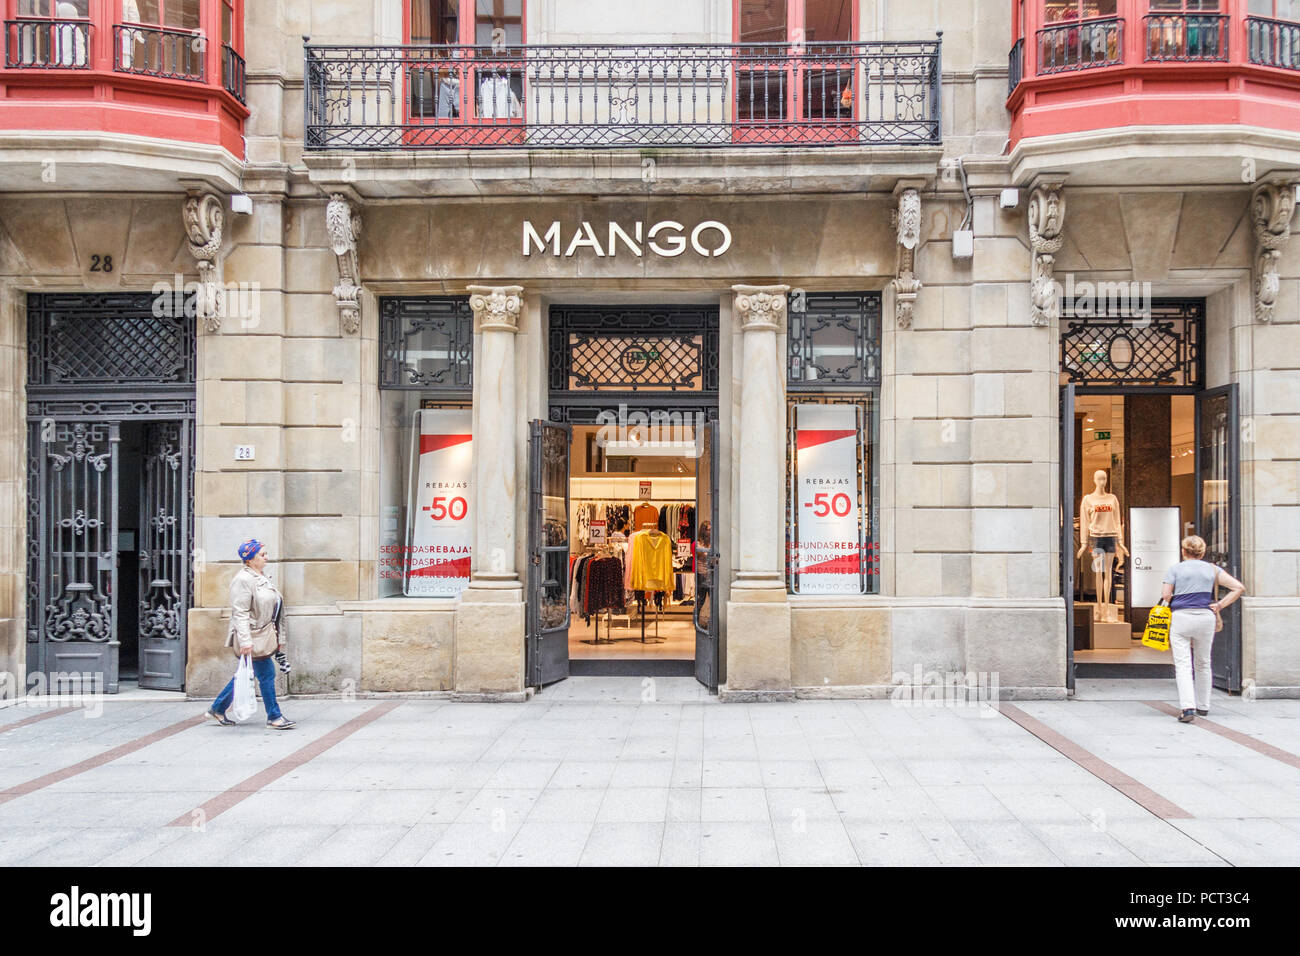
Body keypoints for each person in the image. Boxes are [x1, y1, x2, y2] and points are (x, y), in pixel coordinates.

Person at [206, 539, 295, 730]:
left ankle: (217, 708)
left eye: (265, 554)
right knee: (266, 673)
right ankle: (274, 716)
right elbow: (241, 613)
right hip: (253, 637)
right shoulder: (243, 580)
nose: (266, 558)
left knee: (246, 674)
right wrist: (245, 641)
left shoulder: (260, 577)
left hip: (263, 635)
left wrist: (279, 637)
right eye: (262, 555)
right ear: (249, 559)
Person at [1161, 535, 1244, 723]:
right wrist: (1220, 605)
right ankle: (1203, 705)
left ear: (1183, 551)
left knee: (1183, 664)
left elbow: (1166, 595)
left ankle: (1187, 707)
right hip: (1205, 617)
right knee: (1203, 662)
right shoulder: (1213, 569)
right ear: (1202, 551)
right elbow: (1238, 588)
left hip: (1181, 617)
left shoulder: (1175, 569)